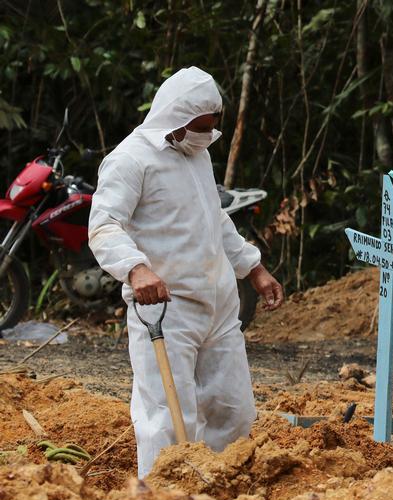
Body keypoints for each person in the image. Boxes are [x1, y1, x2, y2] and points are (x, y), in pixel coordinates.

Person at [89, 67, 284, 477]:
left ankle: (224, 492)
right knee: (166, 414)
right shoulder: (129, 160)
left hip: (218, 309)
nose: (205, 136)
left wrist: (254, 268)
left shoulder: (198, 155)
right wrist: (136, 269)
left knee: (233, 411)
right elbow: (105, 226)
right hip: (165, 312)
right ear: (174, 120)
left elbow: (215, 218)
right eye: (198, 128)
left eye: (211, 128)